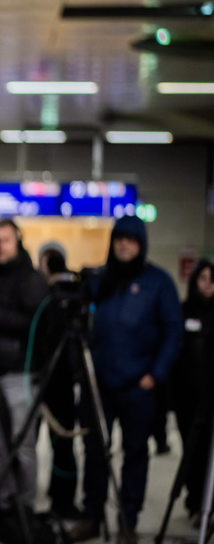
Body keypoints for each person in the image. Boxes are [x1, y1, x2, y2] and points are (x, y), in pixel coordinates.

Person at [69, 215, 183, 544]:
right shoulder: (100, 281)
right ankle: (91, 516)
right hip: (98, 386)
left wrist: (155, 374)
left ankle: (128, 522)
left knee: (135, 454)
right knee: (94, 452)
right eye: (119, 238)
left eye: (131, 240)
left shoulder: (158, 283)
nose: (124, 245)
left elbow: (173, 332)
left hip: (138, 387)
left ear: (141, 244)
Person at [0, 219, 49, 525]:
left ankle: (24, 507)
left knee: (22, 444)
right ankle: (2, 504)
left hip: (21, 372)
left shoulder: (32, 280)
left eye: (5, 240)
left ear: (18, 241)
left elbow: (36, 326)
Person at [36, 243, 82, 519]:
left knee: (62, 442)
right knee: (61, 445)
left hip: (56, 379)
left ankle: (62, 499)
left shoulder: (55, 297)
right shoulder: (54, 296)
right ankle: (60, 497)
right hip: (52, 379)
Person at [171, 259, 214, 526]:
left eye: (212, 279)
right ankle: (196, 502)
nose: (208, 284)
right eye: (203, 278)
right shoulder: (183, 310)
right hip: (187, 395)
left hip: (211, 396)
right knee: (192, 451)